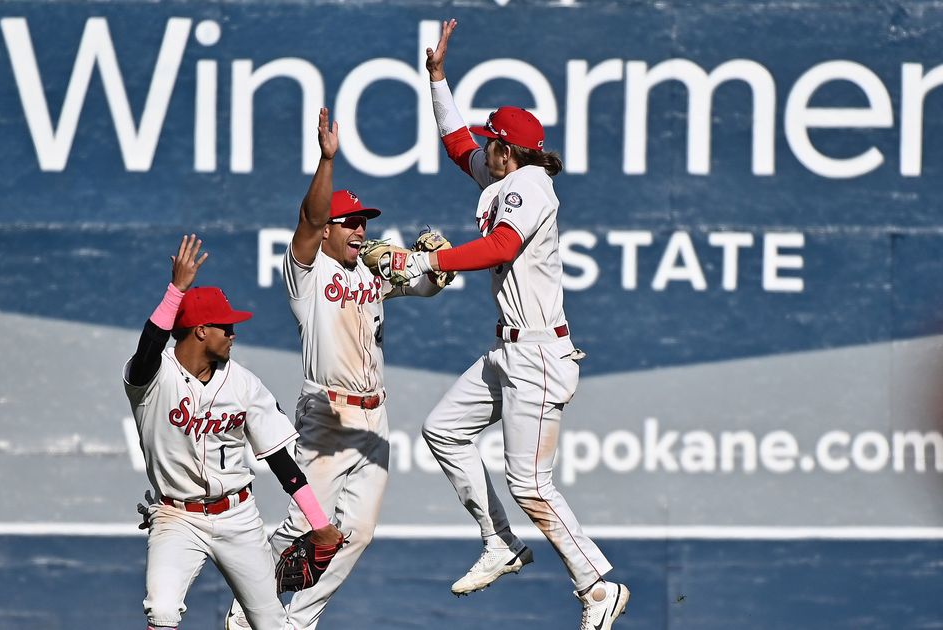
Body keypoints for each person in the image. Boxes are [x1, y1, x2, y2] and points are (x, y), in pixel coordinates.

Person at [376, 19, 631, 630]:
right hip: (508, 352)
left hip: (539, 356)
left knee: (531, 483)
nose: (483, 149)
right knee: (443, 431)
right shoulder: (503, 176)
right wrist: (437, 80)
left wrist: (426, 260)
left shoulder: (532, 186)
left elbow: (500, 249)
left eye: (493, 143)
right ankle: (501, 543)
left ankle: (597, 585)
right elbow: (457, 142)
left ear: (509, 151)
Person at [225, 108, 447, 630]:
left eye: (363, 221)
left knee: (359, 533)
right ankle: (246, 611)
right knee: (306, 525)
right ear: (328, 231)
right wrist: (327, 160)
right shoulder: (310, 269)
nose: (359, 228)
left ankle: (295, 622)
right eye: (348, 222)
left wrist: (437, 263)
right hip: (327, 410)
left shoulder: (369, 269)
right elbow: (309, 218)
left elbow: (428, 281)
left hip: (375, 419)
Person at [124, 235, 342, 630]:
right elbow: (147, 350)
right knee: (162, 609)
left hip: (237, 517)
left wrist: (319, 523)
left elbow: (280, 461)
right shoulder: (153, 378)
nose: (234, 333)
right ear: (201, 330)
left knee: (272, 624)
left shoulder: (243, 384)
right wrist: (176, 291)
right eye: (226, 327)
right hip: (177, 518)